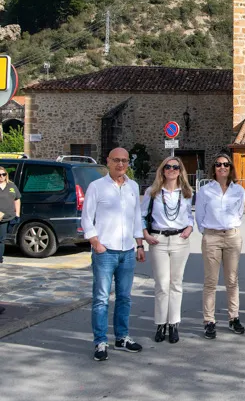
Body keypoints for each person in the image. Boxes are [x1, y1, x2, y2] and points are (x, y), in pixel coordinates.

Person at [81, 147, 145, 362]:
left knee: (125, 298)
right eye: (116, 160)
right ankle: (100, 341)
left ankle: (122, 337)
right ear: (108, 161)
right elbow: (86, 218)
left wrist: (139, 244)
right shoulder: (96, 187)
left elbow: (137, 217)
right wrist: (96, 242)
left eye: (124, 161)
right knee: (101, 299)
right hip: (105, 251)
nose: (120, 164)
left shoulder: (133, 187)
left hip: (127, 251)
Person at [141, 157, 194, 344]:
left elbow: (189, 217)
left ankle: (174, 323)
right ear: (162, 170)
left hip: (180, 240)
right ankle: (160, 323)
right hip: (159, 240)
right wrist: (145, 235)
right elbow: (142, 216)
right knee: (162, 285)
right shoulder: (152, 192)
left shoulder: (187, 193)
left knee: (176, 284)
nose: (171, 170)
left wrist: (189, 228)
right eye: (168, 167)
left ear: (180, 171)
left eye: (175, 167)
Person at [196, 152, 245, 339]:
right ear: (214, 168)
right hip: (212, 237)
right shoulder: (205, 190)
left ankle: (234, 318)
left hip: (232, 236)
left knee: (232, 280)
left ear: (231, 168)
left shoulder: (239, 190)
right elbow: (199, 216)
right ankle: (209, 321)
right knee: (211, 281)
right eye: (218, 164)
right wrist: (208, 233)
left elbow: (239, 213)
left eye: (226, 164)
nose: (222, 167)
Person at [0, 165, 20, 265]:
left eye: (3, 174)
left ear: (6, 175)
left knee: (2, 238)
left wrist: (17, 214)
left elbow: (17, 199)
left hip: (7, 217)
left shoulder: (11, 186)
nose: (1, 176)